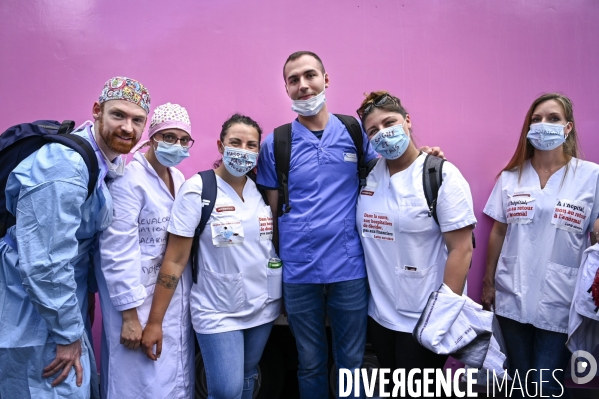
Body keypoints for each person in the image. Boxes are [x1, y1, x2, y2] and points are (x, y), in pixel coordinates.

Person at [256, 51, 443, 398]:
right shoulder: (275, 143)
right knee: (309, 363)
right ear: (286, 88)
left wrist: (425, 158)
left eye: (310, 75)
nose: (303, 85)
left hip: (350, 270)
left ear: (325, 80)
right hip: (299, 273)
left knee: (351, 364)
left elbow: (393, 166)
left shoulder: (354, 132)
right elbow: (271, 211)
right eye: (293, 80)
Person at [0, 76, 150, 399]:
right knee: (48, 387)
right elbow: (44, 262)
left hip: (60, 303)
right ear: (97, 111)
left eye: (137, 120)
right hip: (30, 306)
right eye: (118, 115)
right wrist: (67, 332)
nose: (128, 127)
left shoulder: (107, 162)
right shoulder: (65, 166)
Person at [141, 114, 281, 399]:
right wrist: (155, 321)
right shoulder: (198, 190)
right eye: (235, 142)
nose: (243, 150)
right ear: (220, 145)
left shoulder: (261, 192)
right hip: (218, 309)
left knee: (247, 375)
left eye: (251, 145)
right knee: (225, 390)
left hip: (263, 305)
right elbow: (175, 260)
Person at [355, 90, 476, 396]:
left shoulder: (441, 175)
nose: (383, 133)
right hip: (380, 316)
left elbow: (462, 248)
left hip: (424, 320)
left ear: (407, 121)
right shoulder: (368, 176)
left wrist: (442, 315)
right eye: (373, 130)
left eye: (389, 122)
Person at [481, 93, 599, 397]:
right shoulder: (511, 177)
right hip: (512, 292)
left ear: (568, 127)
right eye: (536, 119)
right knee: (519, 382)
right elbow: (498, 231)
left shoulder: (591, 176)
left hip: (561, 298)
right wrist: (488, 282)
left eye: (553, 118)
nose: (543, 125)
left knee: (546, 384)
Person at [96, 103, 195, 398]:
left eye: (182, 139)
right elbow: (116, 252)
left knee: (171, 381)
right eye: (168, 137)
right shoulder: (128, 180)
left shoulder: (177, 178)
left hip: (169, 301)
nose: (176, 145)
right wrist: (130, 317)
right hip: (136, 306)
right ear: (151, 137)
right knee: (138, 384)